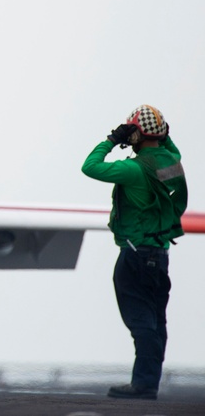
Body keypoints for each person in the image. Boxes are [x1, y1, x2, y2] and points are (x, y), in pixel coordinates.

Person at [81, 105, 187, 401]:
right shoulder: (171, 163)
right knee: (157, 322)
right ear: (162, 134)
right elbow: (170, 148)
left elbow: (90, 166)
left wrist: (112, 139)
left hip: (135, 255)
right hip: (160, 256)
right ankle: (148, 381)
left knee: (141, 322)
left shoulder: (134, 170)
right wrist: (161, 134)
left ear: (136, 134)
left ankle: (143, 384)